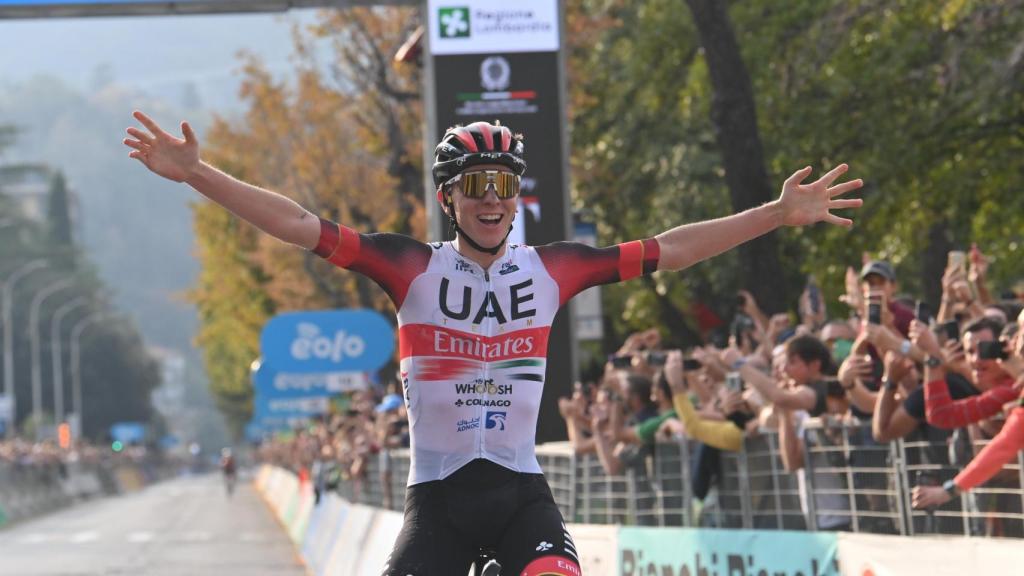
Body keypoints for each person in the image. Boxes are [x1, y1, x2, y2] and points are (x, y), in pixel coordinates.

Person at [124, 111, 862, 575]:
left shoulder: (554, 268)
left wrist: (772, 213)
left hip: (519, 498)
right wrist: (198, 176)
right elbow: (298, 225)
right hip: (438, 504)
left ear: (517, 199)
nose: (489, 198)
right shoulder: (409, 265)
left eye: (503, 185)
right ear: (448, 196)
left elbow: (670, 249)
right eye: (474, 183)